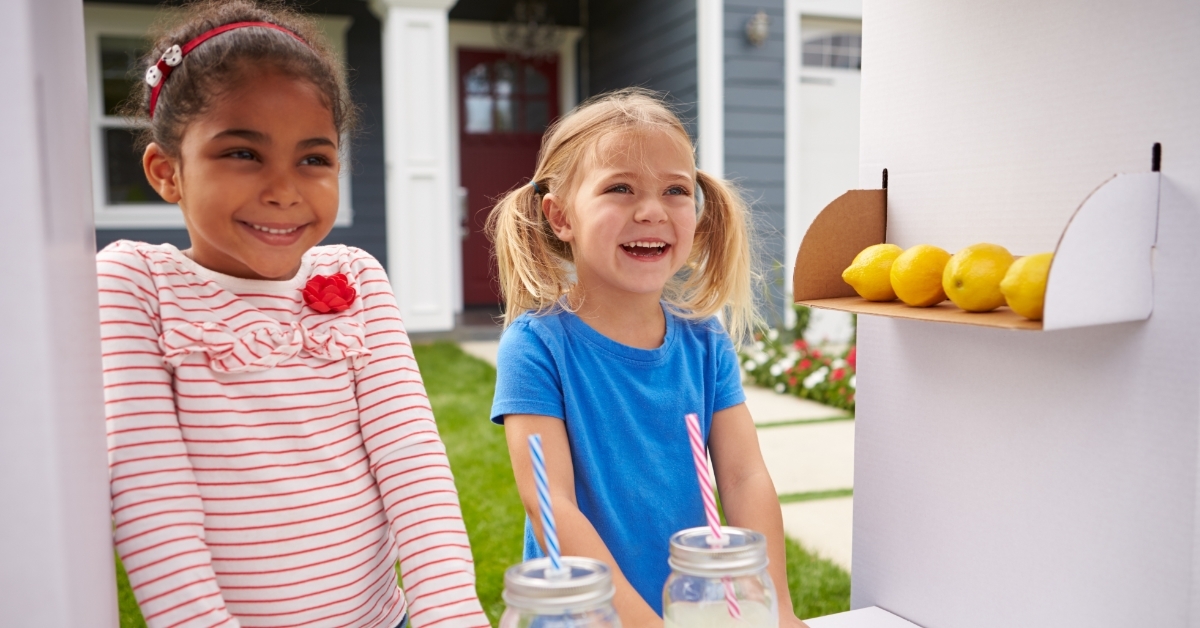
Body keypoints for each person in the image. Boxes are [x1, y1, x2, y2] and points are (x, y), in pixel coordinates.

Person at [97, 2, 489, 626]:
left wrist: (449, 611)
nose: (284, 188)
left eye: (313, 159)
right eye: (243, 154)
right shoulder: (137, 282)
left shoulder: (355, 277)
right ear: (167, 171)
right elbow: (150, 495)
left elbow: (411, 461)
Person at [488, 88, 809, 627]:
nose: (652, 211)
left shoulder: (705, 343)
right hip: (584, 615)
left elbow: (744, 477)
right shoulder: (537, 346)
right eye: (620, 188)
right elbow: (552, 506)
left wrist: (774, 607)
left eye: (675, 190)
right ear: (560, 216)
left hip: (694, 605)